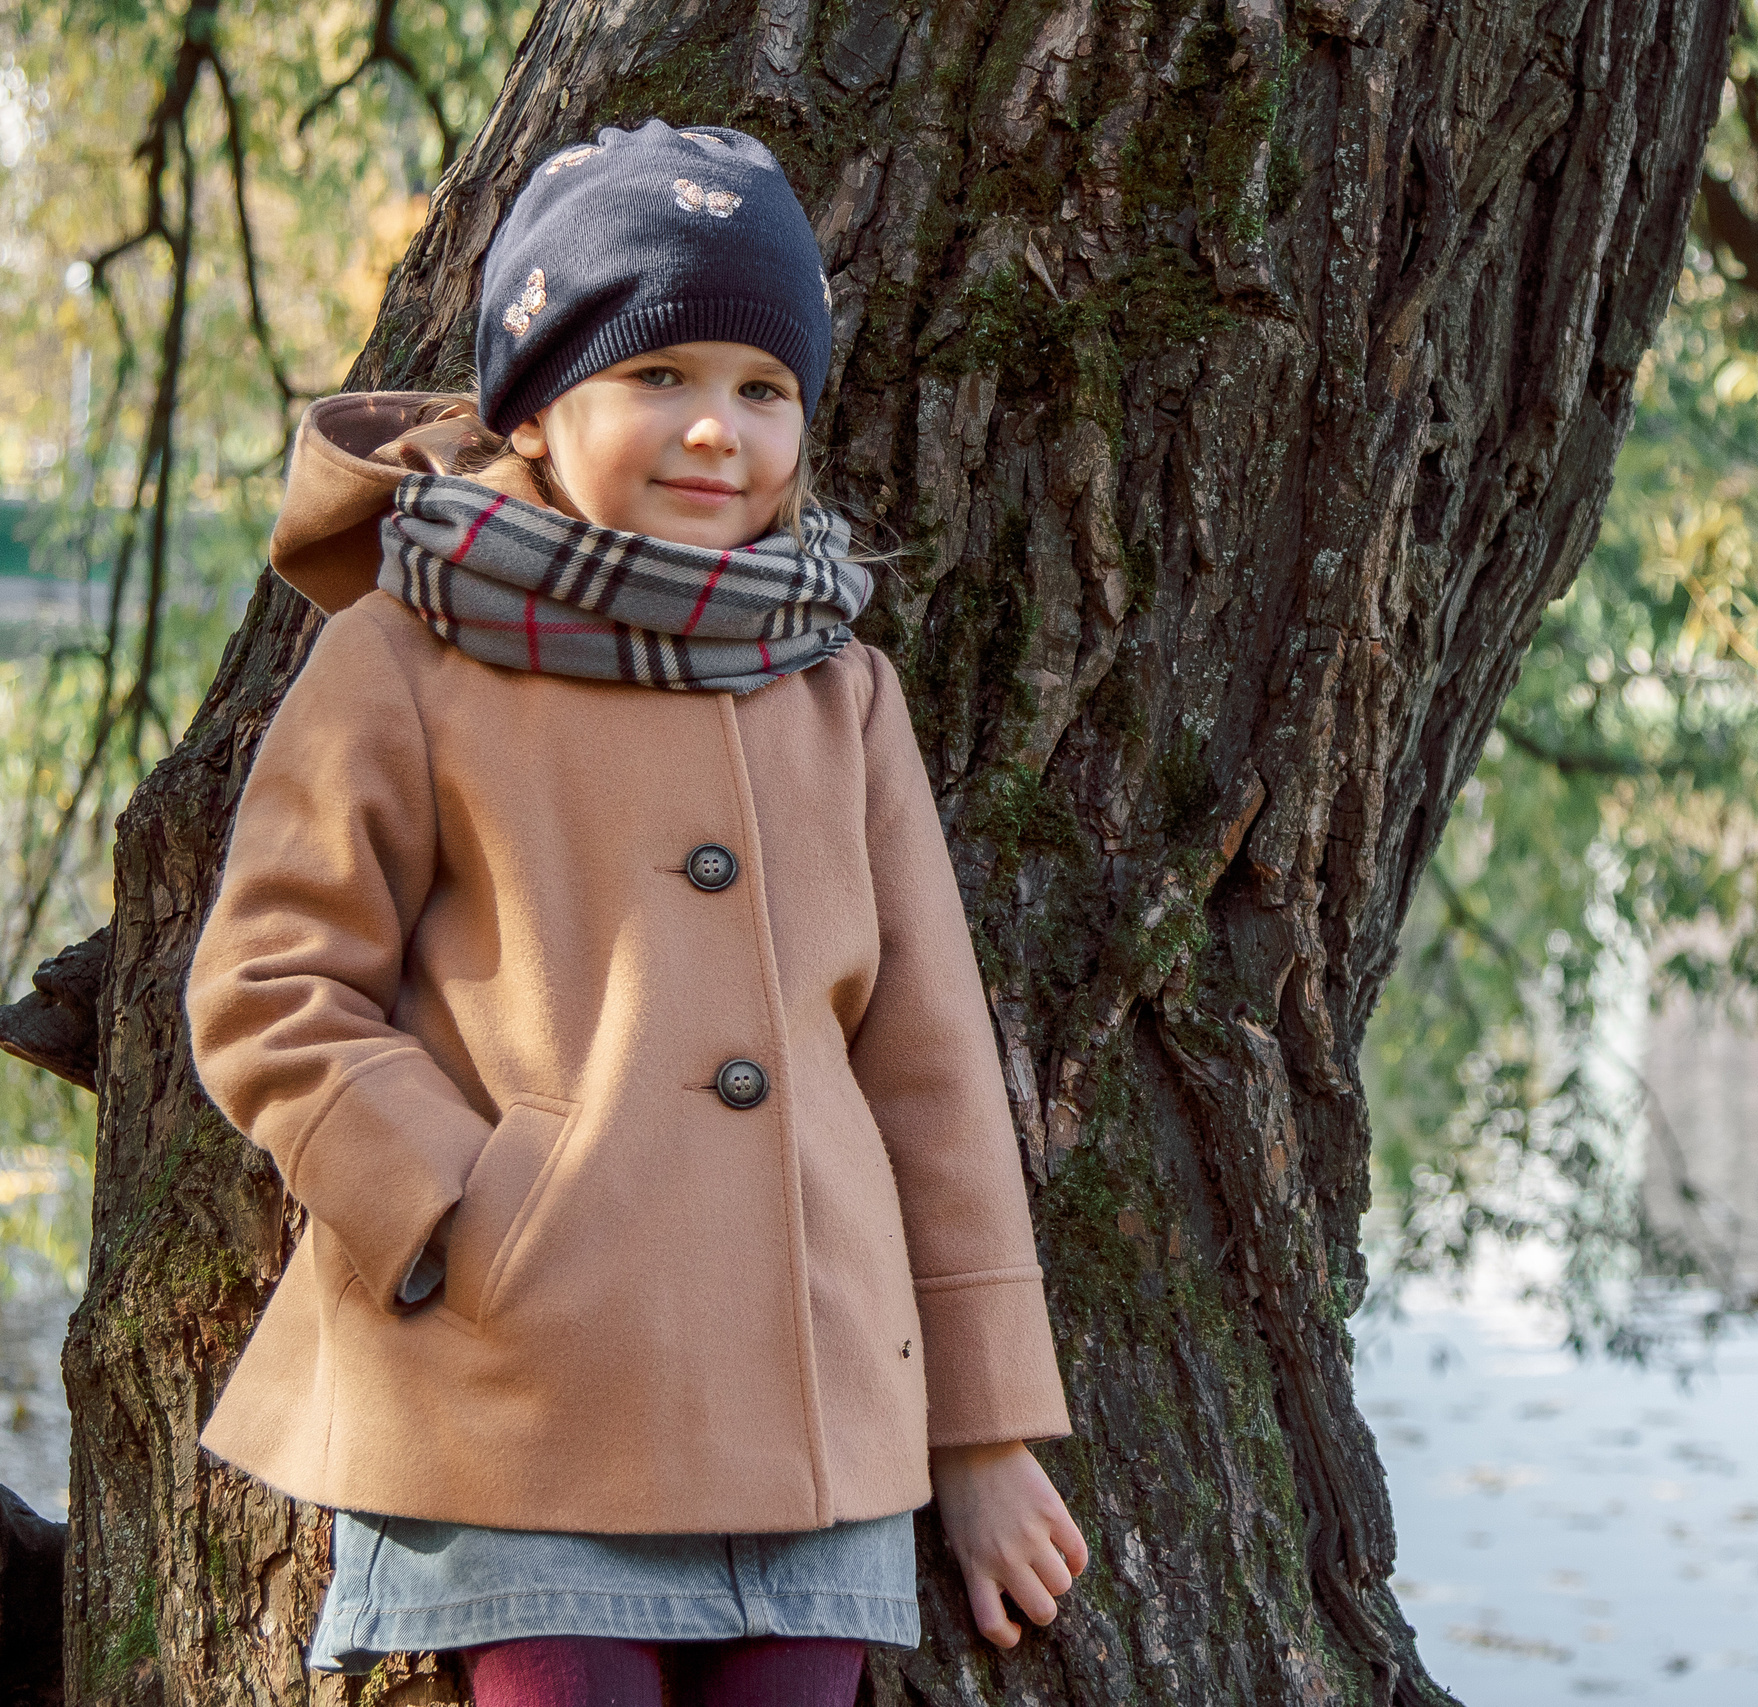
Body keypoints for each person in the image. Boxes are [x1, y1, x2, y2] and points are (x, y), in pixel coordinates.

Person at [184, 121, 1087, 1707]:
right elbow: (268, 984)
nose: (714, 432)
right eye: (656, 376)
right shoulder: (408, 659)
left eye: (763, 389)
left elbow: (931, 1075)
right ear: (537, 407)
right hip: (523, 1388)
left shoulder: (839, 690)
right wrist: (456, 1209)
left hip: (814, 1407)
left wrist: (984, 1432)